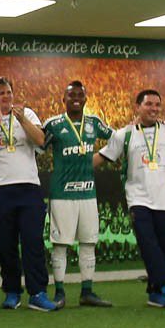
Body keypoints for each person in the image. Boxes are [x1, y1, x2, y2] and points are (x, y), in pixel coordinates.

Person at [95, 89, 165, 307]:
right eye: (149, 104)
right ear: (138, 107)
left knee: (164, 249)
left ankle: (155, 293)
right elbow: (102, 157)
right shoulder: (124, 134)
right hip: (139, 199)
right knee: (148, 244)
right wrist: (74, 165)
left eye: (157, 104)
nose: (154, 108)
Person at [0, 77, 57, 312]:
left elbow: (41, 141)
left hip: (29, 188)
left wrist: (21, 120)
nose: (7, 97)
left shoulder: (27, 114)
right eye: (1, 93)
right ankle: (12, 292)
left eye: (9, 92)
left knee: (33, 241)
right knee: (5, 244)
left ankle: (38, 292)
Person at [42, 81, 113, 308]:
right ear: (63, 99)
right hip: (62, 193)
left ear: (86, 98)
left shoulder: (94, 123)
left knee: (88, 242)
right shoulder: (53, 124)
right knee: (60, 245)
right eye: (71, 94)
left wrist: (102, 157)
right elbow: (37, 144)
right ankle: (60, 292)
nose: (76, 98)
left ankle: (87, 291)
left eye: (80, 95)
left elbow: (117, 139)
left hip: (88, 194)